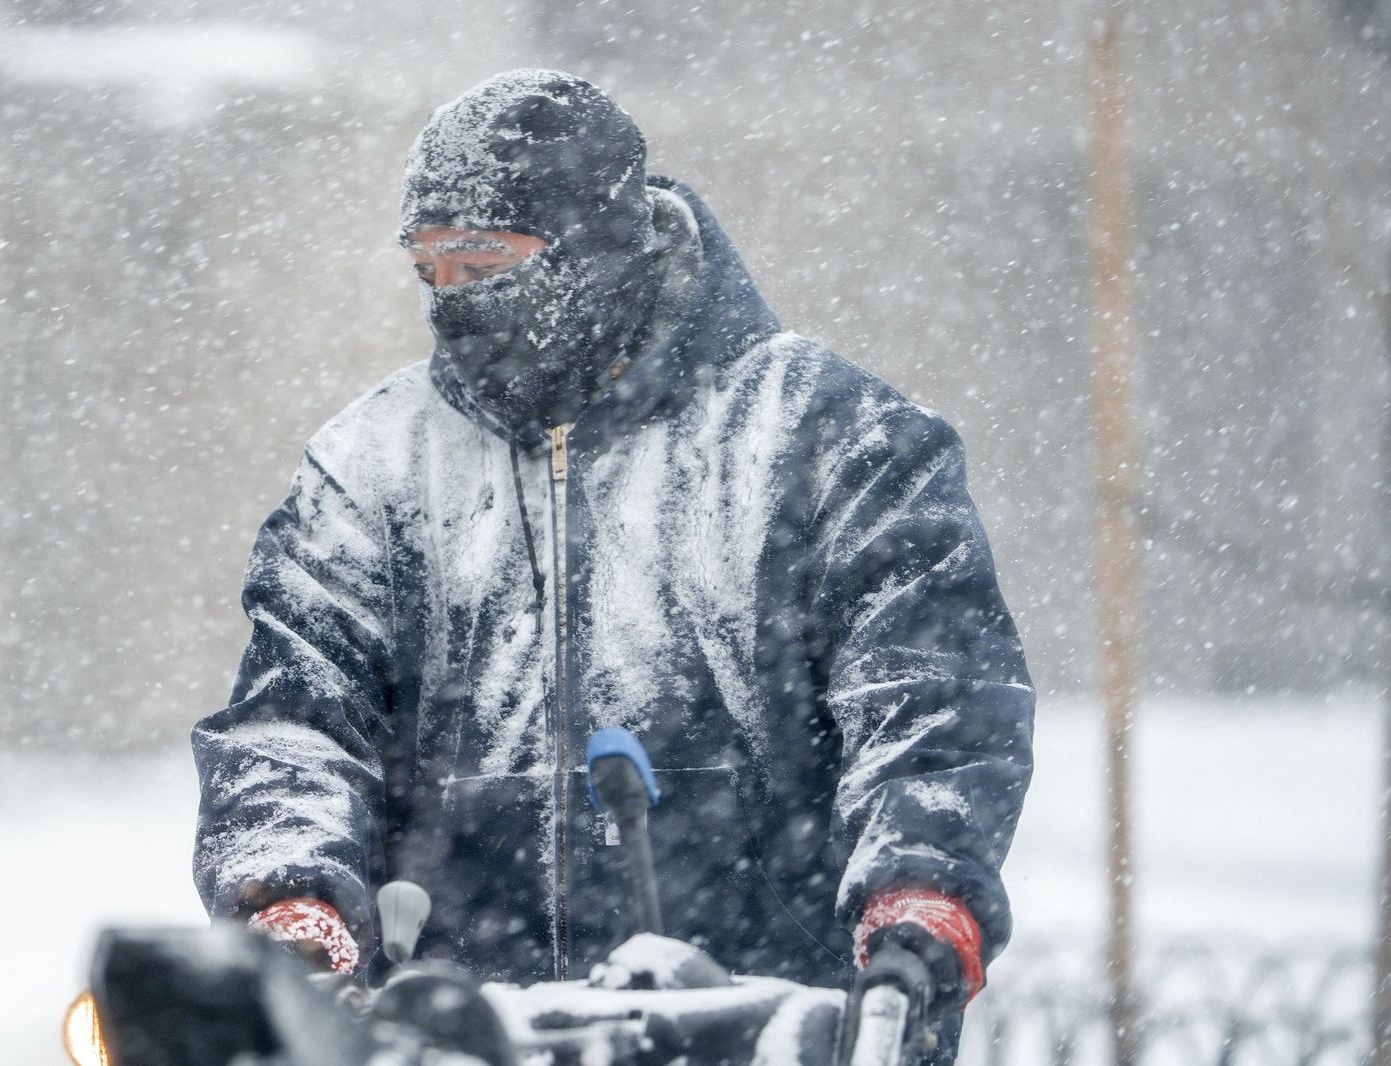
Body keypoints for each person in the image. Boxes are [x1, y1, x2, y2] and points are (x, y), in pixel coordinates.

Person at [192, 69, 1034, 1061]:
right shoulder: (371, 467)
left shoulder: (830, 440)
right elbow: (296, 721)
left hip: (774, 1020)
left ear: (593, 247)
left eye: (483, 262)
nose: (455, 301)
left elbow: (931, 706)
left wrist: (918, 894)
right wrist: (290, 901)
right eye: (432, 270)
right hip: (450, 1032)